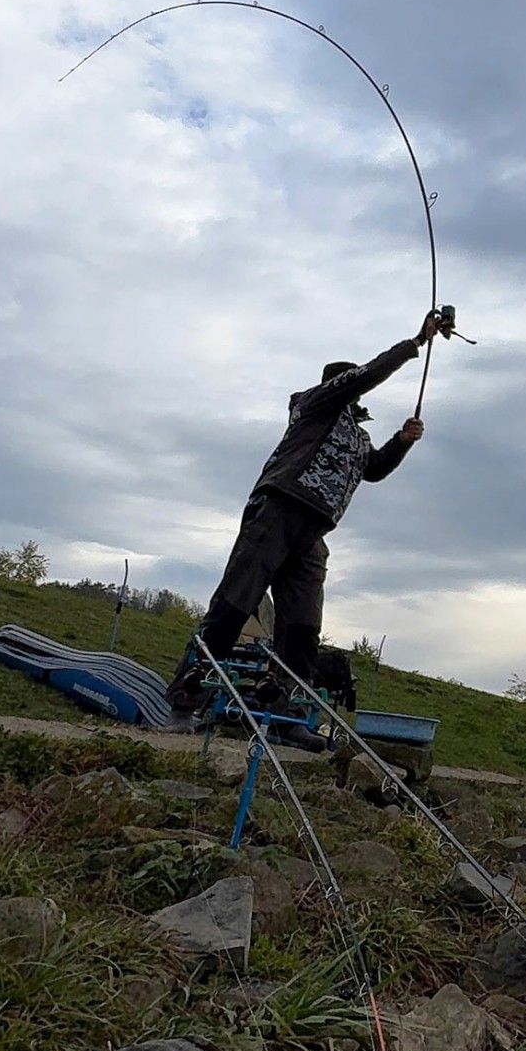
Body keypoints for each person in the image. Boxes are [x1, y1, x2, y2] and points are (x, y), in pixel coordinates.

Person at [167, 311, 443, 744]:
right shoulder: (314, 404)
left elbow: (373, 471)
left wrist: (401, 442)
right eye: (351, 386)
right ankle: (186, 695)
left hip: (314, 530)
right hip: (278, 507)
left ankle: (285, 711)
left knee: (302, 625)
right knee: (237, 601)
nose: (355, 393)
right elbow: (365, 376)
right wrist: (415, 343)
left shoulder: (356, 434)